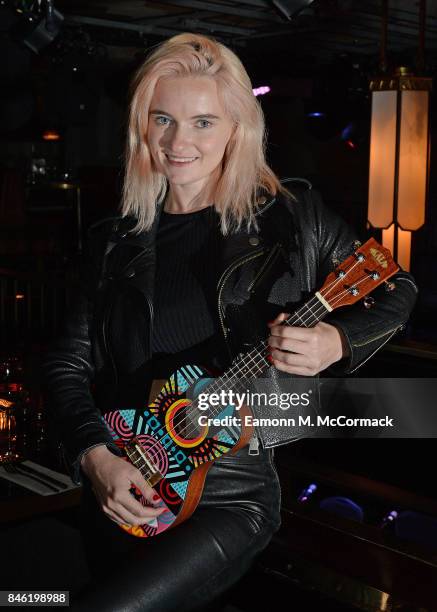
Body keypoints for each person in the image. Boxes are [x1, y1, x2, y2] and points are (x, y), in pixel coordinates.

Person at [43, 32, 417, 611]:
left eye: (203, 123)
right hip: (125, 477)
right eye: (162, 119)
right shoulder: (112, 242)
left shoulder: (292, 218)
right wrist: (96, 460)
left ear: (237, 129)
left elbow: (398, 289)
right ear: (141, 124)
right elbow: (67, 364)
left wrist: (337, 340)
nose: (177, 141)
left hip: (230, 494)